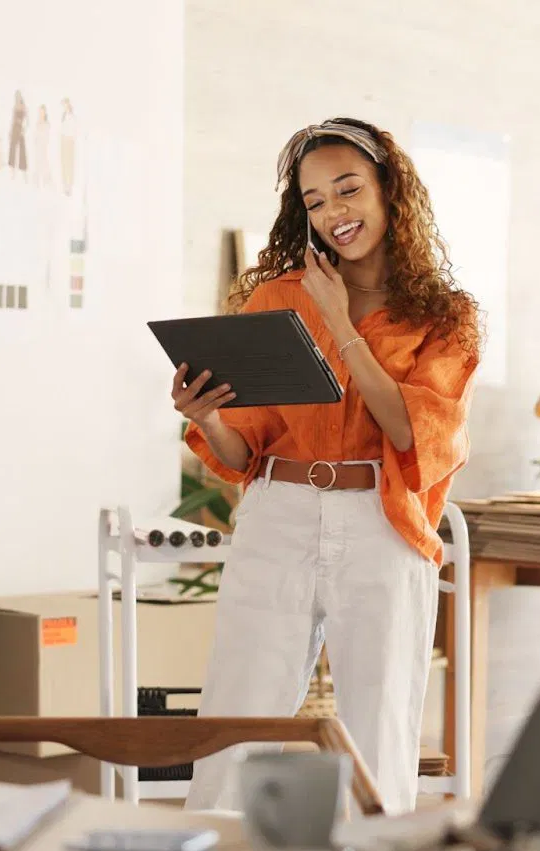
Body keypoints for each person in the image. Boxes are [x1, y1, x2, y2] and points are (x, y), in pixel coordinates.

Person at [176, 117, 481, 815]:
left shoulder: (445, 316)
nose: (334, 213)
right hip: (278, 513)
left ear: (388, 190)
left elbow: (413, 426)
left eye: (347, 190)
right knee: (239, 711)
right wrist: (206, 416)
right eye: (315, 201)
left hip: (381, 521)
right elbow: (242, 452)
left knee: (379, 721)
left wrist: (341, 323)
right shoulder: (275, 300)